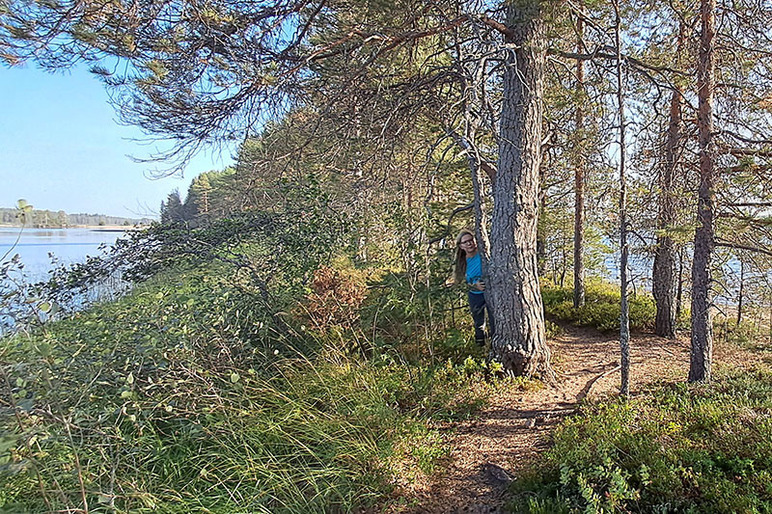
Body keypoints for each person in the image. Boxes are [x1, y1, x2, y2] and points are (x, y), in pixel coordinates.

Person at [454, 229, 494, 346]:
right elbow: (460, 282)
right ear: (461, 246)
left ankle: (495, 345)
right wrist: (474, 285)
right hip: (475, 295)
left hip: (491, 292)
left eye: (471, 240)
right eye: (465, 242)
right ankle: (480, 345)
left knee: (494, 320)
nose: (469, 243)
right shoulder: (461, 262)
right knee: (478, 322)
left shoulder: (484, 253)